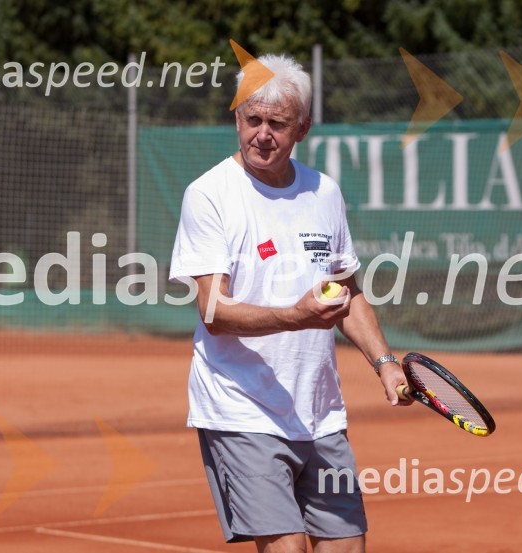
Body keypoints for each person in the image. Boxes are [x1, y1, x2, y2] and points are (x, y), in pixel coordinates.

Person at [170, 54, 411, 552]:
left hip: (320, 412)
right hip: (242, 410)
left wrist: (385, 363)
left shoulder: (324, 192)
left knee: (347, 546)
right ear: (236, 118)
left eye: (277, 124)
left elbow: (350, 293)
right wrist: (294, 317)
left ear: (302, 128)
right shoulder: (210, 195)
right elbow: (214, 312)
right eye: (251, 119)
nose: (262, 134)